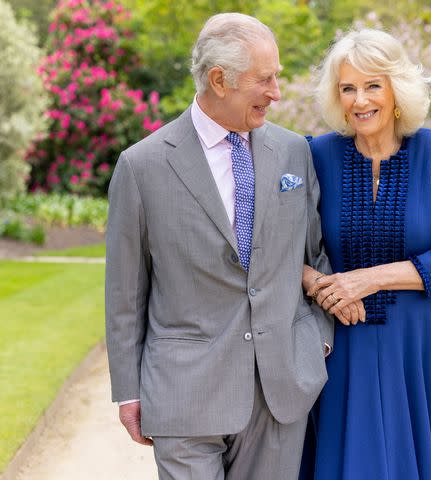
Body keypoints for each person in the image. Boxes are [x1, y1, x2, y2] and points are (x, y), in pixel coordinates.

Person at [105, 13, 353, 480]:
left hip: (279, 389)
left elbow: (314, 254)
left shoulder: (294, 151)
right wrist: (129, 391)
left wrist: (313, 341)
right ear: (219, 80)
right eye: (265, 79)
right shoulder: (142, 167)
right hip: (184, 394)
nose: (277, 92)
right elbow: (125, 292)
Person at [301, 29, 431, 479]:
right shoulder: (314, 155)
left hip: (423, 340)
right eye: (348, 88)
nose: (359, 100)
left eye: (372, 86)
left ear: (396, 91)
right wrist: (320, 286)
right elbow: (285, 247)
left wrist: (369, 278)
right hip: (344, 336)